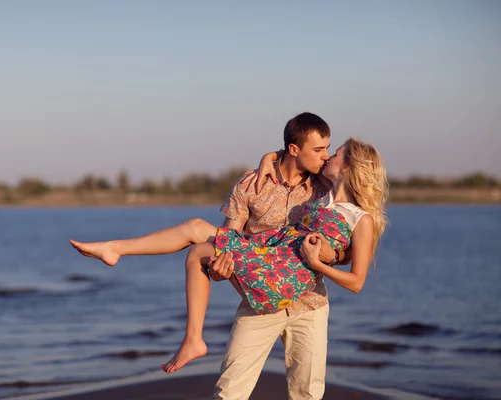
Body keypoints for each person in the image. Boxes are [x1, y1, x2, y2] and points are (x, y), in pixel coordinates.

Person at [71, 113, 388, 399]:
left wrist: (327, 256)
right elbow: (230, 240)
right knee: (229, 392)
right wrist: (220, 271)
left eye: (331, 151)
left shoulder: (323, 186)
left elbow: (347, 249)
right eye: (321, 150)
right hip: (261, 288)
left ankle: (125, 259)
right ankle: (126, 260)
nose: (326, 156)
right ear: (294, 150)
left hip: (308, 303)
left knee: (307, 395)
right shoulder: (252, 184)